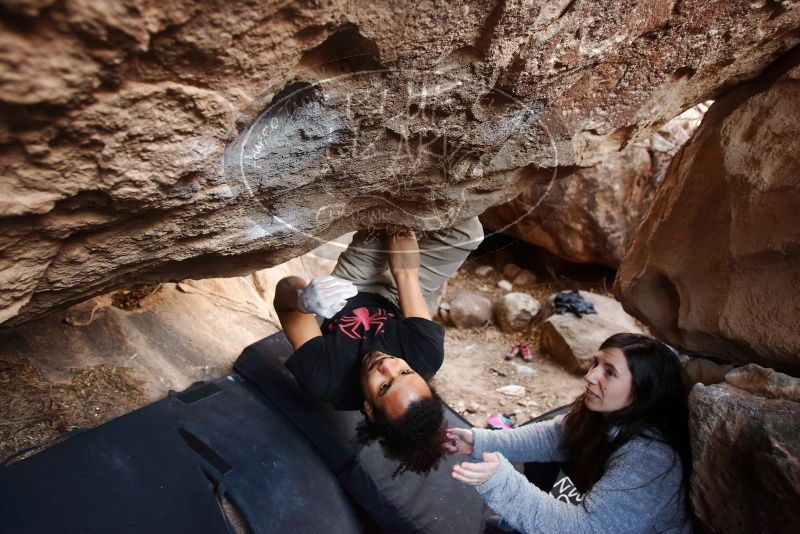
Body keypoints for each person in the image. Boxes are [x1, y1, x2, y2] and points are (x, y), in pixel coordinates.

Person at [273, 218, 483, 475]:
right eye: (405, 372)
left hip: (350, 290)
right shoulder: (425, 354)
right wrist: (407, 218)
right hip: (398, 294)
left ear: (370, 409)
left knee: (380, 221)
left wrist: (302, 299)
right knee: (468, 233)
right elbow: (406, 275)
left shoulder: (326, 380)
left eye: (384, 386)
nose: (387, 365)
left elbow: (284, 294)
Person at [448, 333, 693, 533]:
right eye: (596, 363)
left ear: (644, 391)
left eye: (610, 372)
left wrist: (502, 483)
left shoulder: (651, 460)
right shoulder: (604, 415)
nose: (590, 376)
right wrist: (480, 440)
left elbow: (585, 529)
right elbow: (552, 436)